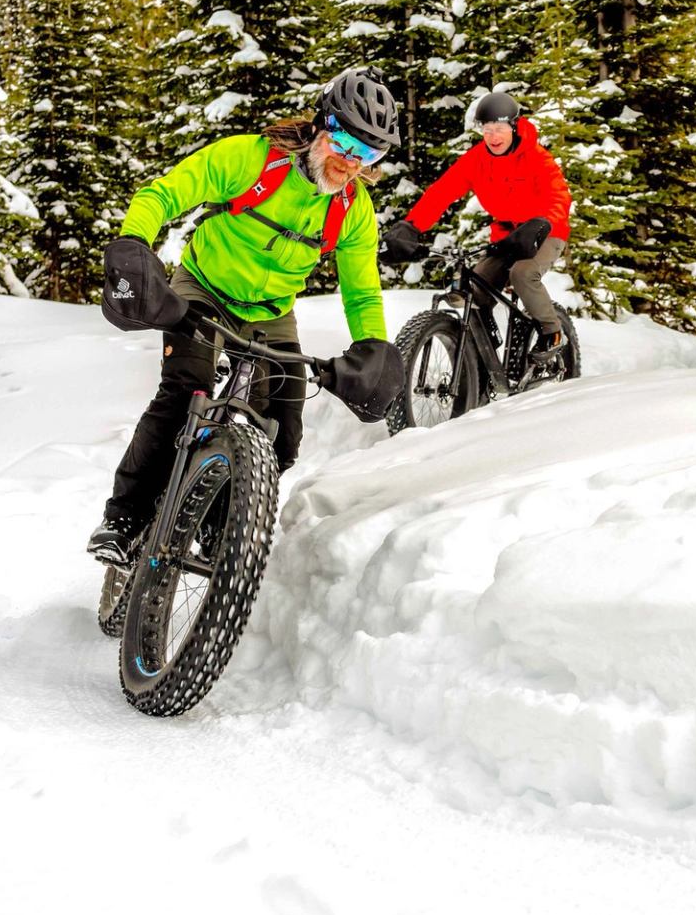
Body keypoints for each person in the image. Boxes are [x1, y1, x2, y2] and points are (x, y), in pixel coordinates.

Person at [85, 68, 403, 565]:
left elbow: (362, 292)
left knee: (285, 427)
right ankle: (123, 518)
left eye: (368, 154)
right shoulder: (252, 159)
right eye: (344, 141)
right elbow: (162, 195)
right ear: (322, 124)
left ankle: (225, 522)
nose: (349, 161)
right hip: (205, 289)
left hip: (271, 312)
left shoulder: (353, 208)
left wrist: (374, 349)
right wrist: (132, 243)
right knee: (183, 390)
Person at [380, 91, 574, 361]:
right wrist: (412, 226)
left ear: (514, 127)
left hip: (547, 232)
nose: (493, 137)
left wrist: (543, 222)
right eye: (487, 130)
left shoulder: (536, 158)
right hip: (508, 236)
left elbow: (560, 197)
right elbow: (441, 193)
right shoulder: (477, 160)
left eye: (500, 129)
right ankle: (484, 356)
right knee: (476, 286)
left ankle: (552, 331)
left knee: (522, 273)